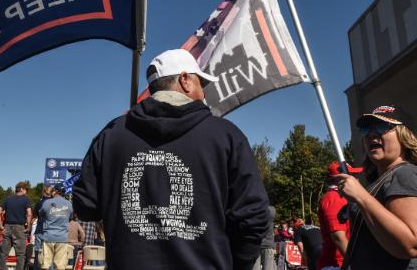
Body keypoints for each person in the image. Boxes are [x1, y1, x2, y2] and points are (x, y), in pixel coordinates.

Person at [73, 49, 270, 269]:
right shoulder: (226, 136)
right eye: (201, 85)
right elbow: (253, 217)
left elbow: (86, 206)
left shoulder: (111, 134)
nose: (204, 94)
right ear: (185, 80)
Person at [336, 105, 417, 269]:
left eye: (382, 127)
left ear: (403, 135)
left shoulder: (404, 173)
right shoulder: (380, 180)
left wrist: (361, 197)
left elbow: (410, 246)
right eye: (366, 129)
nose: (372, 134)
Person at [317, 161, 362, 270]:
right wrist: (356, 263)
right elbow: (338, 237)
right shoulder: (334, 198)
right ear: (339, 179)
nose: (356, 178)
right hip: (337, 264)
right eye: (352, 175)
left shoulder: (342, 197)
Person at [0, 181, 33, 270]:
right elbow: (29, 214)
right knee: (20, 255)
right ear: (21, 189)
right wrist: (28, 227)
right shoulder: (26, 200)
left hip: (7, 227)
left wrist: (1, 226)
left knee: (3, 253)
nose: (26, 192)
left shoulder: (7, 199)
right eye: (26, 190)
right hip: (19, 228)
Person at [39, 183, 73, 270]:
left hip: (48, 237)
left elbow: (41, 214)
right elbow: (71, 217)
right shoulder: (69, 204)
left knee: (45, 265)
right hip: (62, 237)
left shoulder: (47, 202)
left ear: (54, 192)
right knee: (60, 266)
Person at [252, 206, 276, 270]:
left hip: (256, 243)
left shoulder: (254, 209)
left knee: (255, 268)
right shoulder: (271, 210)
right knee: (268, 268)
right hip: (267, 244)